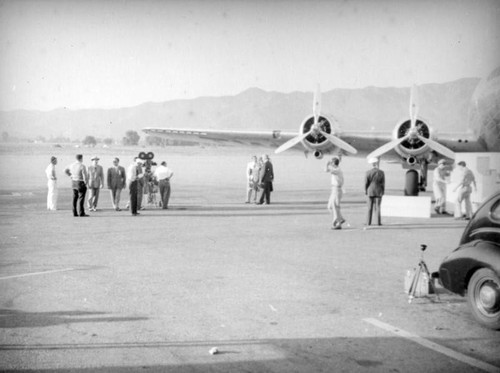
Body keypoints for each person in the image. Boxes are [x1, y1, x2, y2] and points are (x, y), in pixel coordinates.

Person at [364, 157, 385, 227]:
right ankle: (378, 222)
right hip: (379, 191)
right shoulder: (381, 172)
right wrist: (383, 191)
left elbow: (366, 183)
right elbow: (383, 183)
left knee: (369, 207)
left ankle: (368, 222)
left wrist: (365, 190)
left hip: (370, 191)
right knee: (378, 207)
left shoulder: (368, 172)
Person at [325, 156, 345, 229]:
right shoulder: (336, 169)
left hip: (337, 189)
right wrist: (328, 164)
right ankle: (340, 219)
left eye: (332, 163)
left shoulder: (337, 170)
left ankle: (338, 223)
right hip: (334, 189)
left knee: (335, 206)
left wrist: (327, 164)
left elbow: (326, 170)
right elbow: (326, 170)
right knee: (330, 206)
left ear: (334, 163)